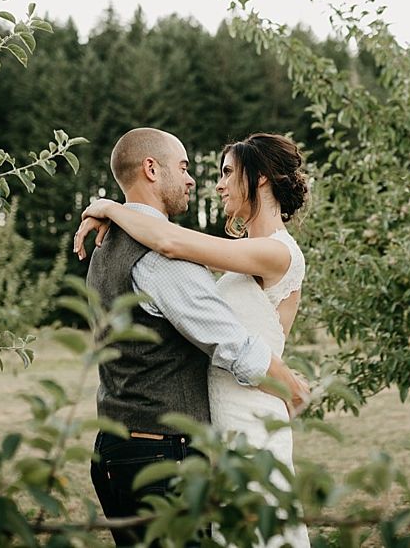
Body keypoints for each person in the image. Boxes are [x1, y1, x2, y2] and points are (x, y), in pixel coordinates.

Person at [76, 128, 309, 547]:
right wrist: (113, 208)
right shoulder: (176, 255)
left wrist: (110, 206)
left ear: (258, 180)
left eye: (226, 173)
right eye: (186, 168)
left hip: (243, 412)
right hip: (189, 432)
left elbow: (169, 240)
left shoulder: (277, 252)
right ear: (151, 169)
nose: (208, 183)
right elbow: (166, 244)